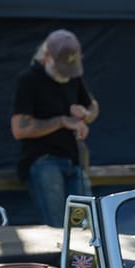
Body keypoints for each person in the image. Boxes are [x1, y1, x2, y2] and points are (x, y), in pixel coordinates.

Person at [11, 29, 99, 227]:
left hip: (75, 162)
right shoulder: (29, 80)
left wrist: (85, 115)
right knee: (58, 229)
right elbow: (19, 129)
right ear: (47, 56)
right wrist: (61, 121)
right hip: (45, 162)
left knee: (86, 227)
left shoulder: (74, 78)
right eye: (62, 69)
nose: (66, 75)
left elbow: (93, 106)